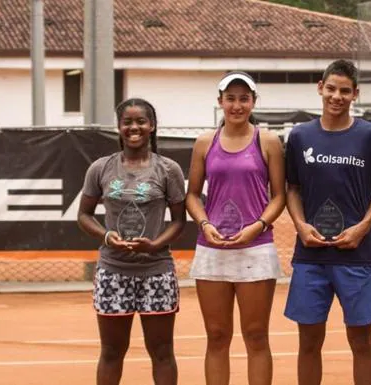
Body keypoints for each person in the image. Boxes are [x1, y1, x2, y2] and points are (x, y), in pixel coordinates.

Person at [284, 59, 371, 385]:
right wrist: (301, 226)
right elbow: (292, 189)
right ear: (320, 87)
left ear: (355, 93)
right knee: (308, 344)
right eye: (331, 88)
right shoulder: (300, 136)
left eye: (345, 91)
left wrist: (363, 227)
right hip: (310, 256)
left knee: (361, 342)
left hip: (356, 256)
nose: (337, 96)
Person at [185, 71, 286, 385]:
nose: (237, 105)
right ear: (220, 102)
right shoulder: (204, 142)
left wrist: (258, 226)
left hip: (256, 249)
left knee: (256, 335)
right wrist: (204, 223)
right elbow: (192, 195)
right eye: (231, 98)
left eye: (244, 98)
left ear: (253, 102)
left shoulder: (267, 141)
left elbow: (279, 196)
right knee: (216, 336)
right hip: (212, 249)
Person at [77, 98, 187, 385]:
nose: (134, 127)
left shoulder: (168, 169)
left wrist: (155, 244)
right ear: (119, 127)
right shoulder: (101, 168)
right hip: (113, 272)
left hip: (157, 271)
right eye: (127, 122)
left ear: (151, 126)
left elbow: (179, 221)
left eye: (141, 121)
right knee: (112, 352)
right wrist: (106, 236)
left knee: (162, 351)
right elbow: (84, 215)